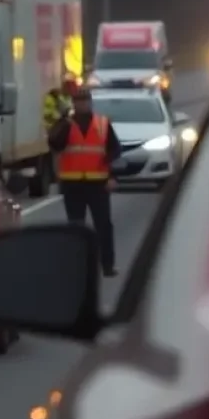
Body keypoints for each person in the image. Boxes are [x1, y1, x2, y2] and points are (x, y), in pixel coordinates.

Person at [47, 87, 122, 277]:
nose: (82, 104)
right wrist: (62, 122)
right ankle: (77, 266)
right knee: (76, 227)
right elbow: (55, 144)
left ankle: (107, 265)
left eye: (85, 100)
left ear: (90, 102)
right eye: (78, 101)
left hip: (98, 183)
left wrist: (111, 173)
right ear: (73, 103)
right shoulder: (66, 124)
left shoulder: (102, 124)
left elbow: (115, 149)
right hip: (72, 183)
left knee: (103, 226)